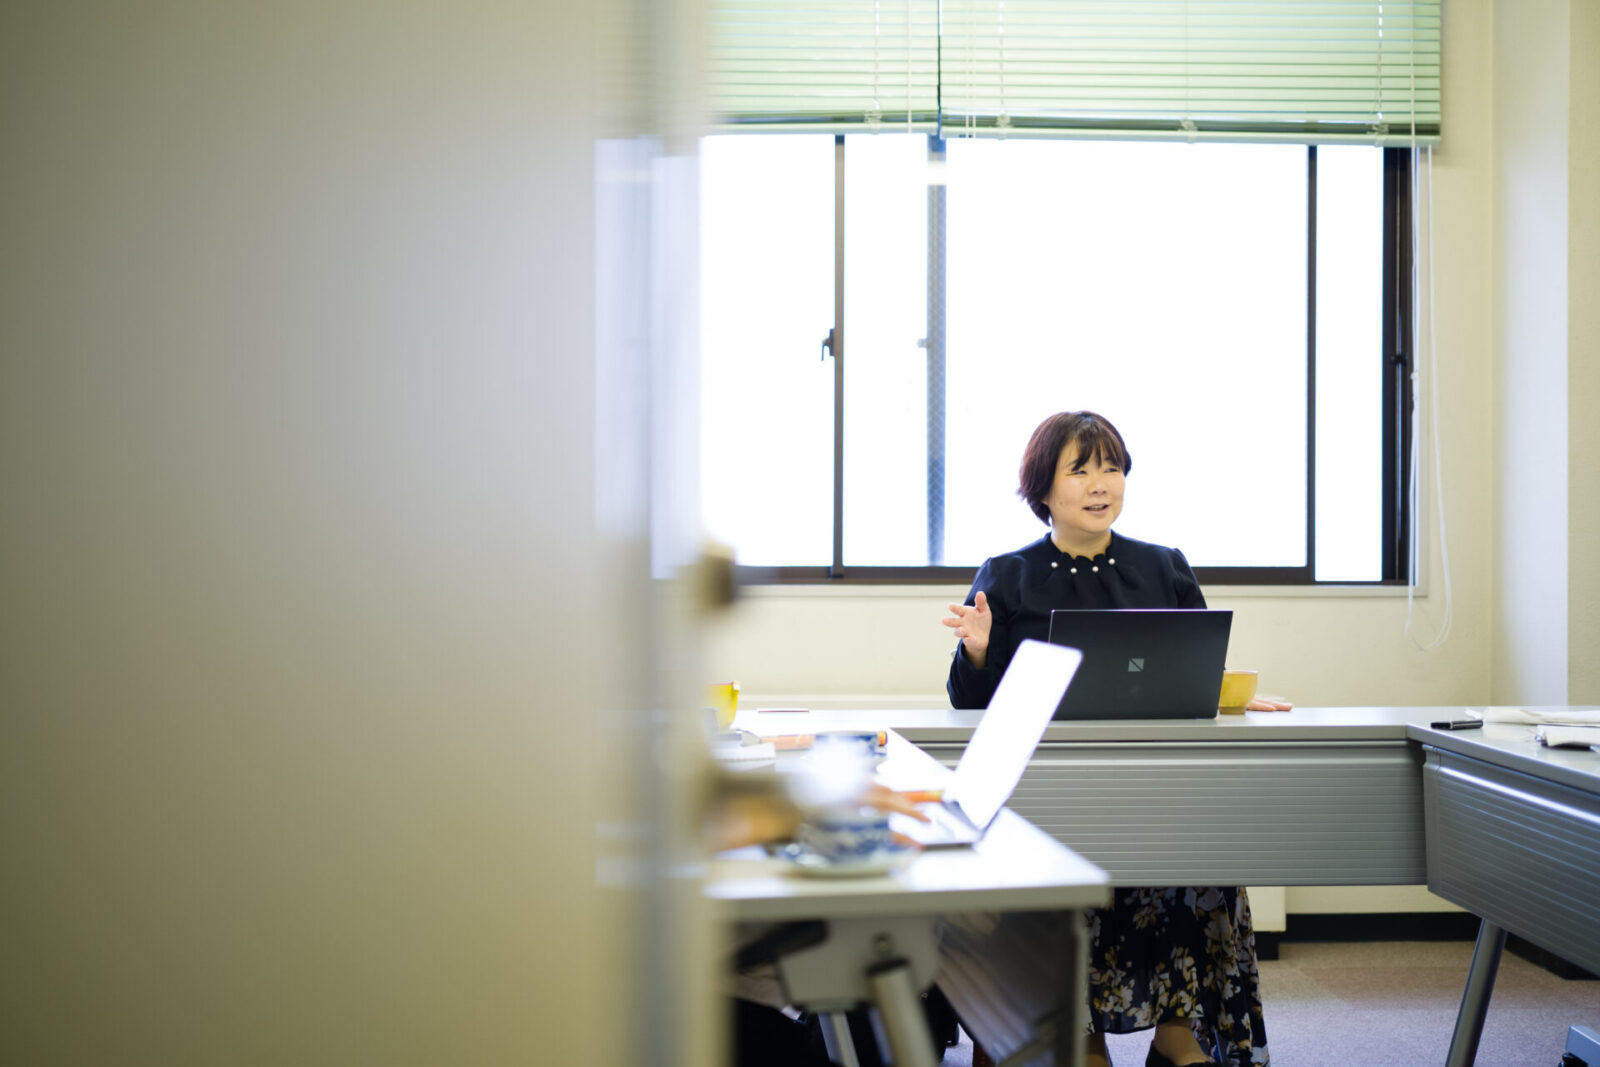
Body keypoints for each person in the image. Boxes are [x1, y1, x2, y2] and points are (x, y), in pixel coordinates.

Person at [942, 411, 1290, 1067]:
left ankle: (1178, 1035)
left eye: (1112, 467)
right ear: (1043, 488)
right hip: (1051, 796)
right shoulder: (1007, 575)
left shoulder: (1164, 566)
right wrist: (980, 652)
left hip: (1158, 791)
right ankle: (1081, 1035)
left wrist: (1228, 695)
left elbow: (1192, 672)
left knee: (1202, 858)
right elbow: (971, 704)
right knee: (1071, 867)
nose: (1101, 483)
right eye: (1080, 469)